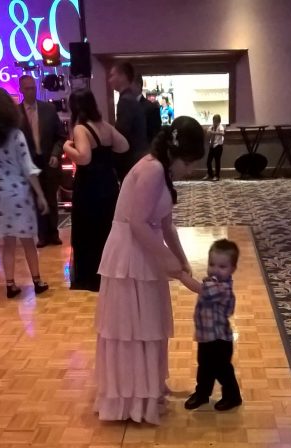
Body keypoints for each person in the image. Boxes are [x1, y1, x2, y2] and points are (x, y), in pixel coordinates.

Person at [95, 116, 205, 424]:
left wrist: (182, 260)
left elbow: (166, 224)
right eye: (190, 162)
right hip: (131, 253)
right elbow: (138, 223)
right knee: (134, 329)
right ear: (177, 153)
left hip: (143, 249)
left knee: (146, 326)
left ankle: (145, 391)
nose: (191, 169)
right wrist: (177, 272)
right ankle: (132, 400)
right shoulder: (153, 169)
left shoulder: (161, 169)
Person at [0, 87, 49, 298]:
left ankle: (10, 284)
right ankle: (37, 281)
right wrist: (41, 194)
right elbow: (28, 167)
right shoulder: (16, 135)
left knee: (7, 243)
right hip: (18, 193)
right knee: (28, 241)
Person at [63, 89, 129, 292]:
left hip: (89, 188)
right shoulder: (105, 126)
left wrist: (67, 148)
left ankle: (91, 277)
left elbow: (84, 158)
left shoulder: (81, 129)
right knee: (107, 230)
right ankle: (110, 274)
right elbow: (124, 146)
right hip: (108, 185)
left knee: (88, 231)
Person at [180, 238, 242, 411]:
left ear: (233, 269)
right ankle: (202, 394)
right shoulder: (213, 282)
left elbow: (198, 288)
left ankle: (233, 396)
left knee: (222, 371)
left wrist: (180, 275)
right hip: (206, 337)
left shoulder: (222, 288)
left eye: (222, 267)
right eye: (212, 264)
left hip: (219, 340)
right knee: (204, 367)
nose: (215, 269)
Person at [18, 74, 65, 247]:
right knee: (35, 197)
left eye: (33, 88)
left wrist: (55, 154)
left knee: (51, 197)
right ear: (21, 90)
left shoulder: (48, 110)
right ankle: (42, 235)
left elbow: (60, 136)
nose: (31, 91)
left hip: (48, 160)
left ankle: (54, 233)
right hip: (28, 162)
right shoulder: (16, 114)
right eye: (27, 88)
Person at [109, 61, 147, 180]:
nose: (109, 80)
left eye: (112, 75)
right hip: (136, 157)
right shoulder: (129, 98)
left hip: (130, 160)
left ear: (123, 77)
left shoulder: (126, 101)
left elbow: (122, 134)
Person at [133, 74, 162, 146]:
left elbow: (155, 135)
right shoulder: (124, 105)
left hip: (145, 151)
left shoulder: (151, 107)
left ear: (138, 85)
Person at [204, 114, 224, 181]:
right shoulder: (211, 127)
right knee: (208, 162)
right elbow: (208, 134)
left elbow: (222, 133)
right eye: (214, 120)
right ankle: (210, 174)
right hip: (212, 146)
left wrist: (213, 132)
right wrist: (208, 132)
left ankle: (217, 176)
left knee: (217, 162)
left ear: (219, 121)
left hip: (218, 146)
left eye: (216, 121)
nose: (214, 122)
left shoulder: (220, 127)